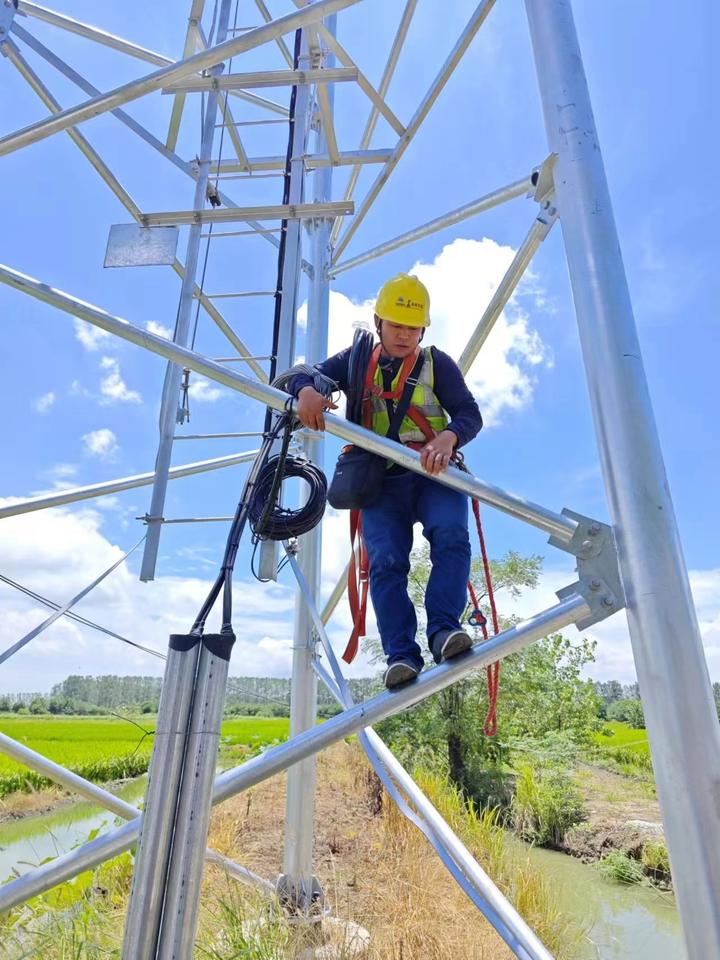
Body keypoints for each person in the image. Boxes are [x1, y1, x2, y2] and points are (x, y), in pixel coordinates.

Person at [290, 274, 483, 689]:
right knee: (386, 563)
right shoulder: (357, 361)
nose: (404, 335)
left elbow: (470, 414)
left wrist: (449, 437)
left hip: (433, 473)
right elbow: (304, 375)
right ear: (379, 323)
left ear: (423, 330)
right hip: (380, 482)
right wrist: (306, 391)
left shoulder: (437, 364)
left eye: (413, 328)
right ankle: (401, 655)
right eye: (396, 325)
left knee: (451, 536)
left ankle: (444, 630)